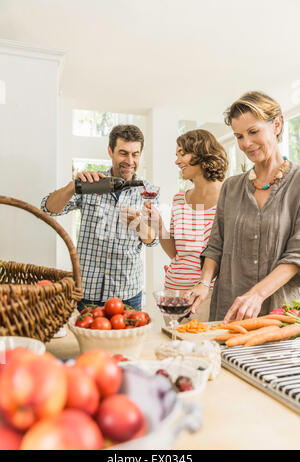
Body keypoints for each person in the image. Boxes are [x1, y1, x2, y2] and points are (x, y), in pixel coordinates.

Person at [188, 91, 300, 323]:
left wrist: (255, 295)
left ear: (277, 124)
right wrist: (203, 283)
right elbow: (216, 245)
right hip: (229, 311)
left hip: (279, 315)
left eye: (253, 132)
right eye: (239, 136)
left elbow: (296, 256)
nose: (246, 143)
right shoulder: (231, 187)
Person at [41, 125, 159, 311]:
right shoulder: (91, 183)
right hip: (87, 291)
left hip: (127, 292)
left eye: (135, 154)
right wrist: (74, 185)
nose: (130, 161)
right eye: (123, 153)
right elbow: (48, 208)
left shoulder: (148, 191)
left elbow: (152, 239)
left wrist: (139, 225)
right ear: (110, 151)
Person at [147, 129, 228, 322]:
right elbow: (177, 253)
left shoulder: (228, 198)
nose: (177, 161)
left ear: (202, 153)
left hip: (206, 296)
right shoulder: (179, 199)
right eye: (177, 155)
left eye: (182, 153)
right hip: (173, 294)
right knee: (175, 347)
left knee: (201, 348)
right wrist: (159, 227)